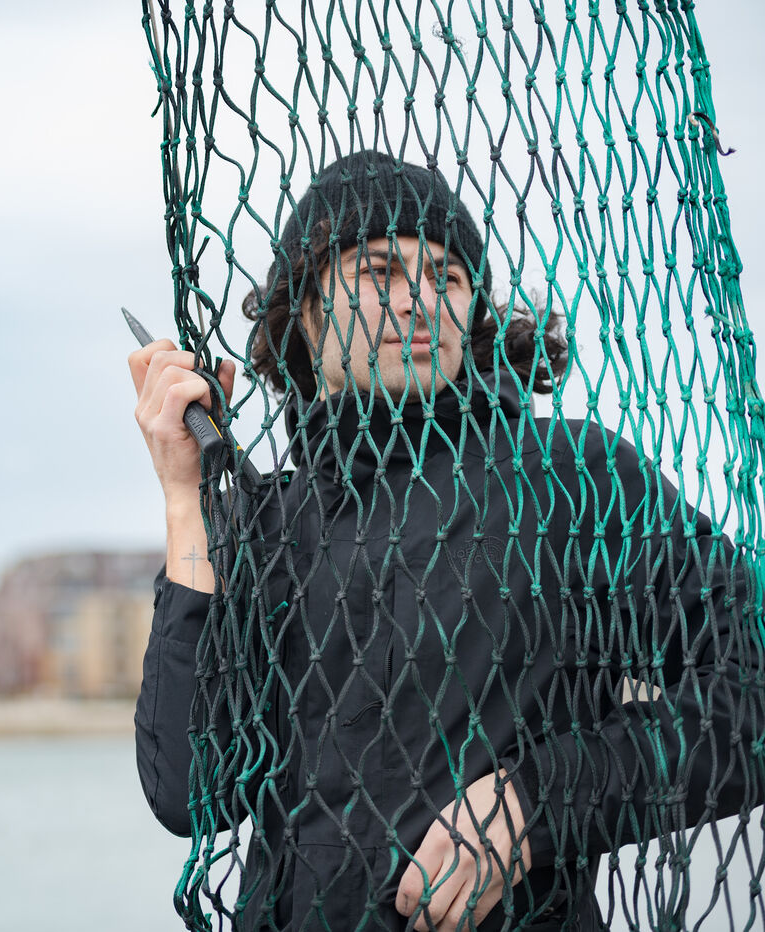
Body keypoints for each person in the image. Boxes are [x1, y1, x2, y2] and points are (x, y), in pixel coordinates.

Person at [130, 150, 760, 931]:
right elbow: (189, 793)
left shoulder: (573, 478)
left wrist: (534, 802)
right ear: (304, 312)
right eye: (377, 271)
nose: (419, 300)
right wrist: (185, 499)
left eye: (447, 276)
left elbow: (752, 691)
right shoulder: (264, 522)